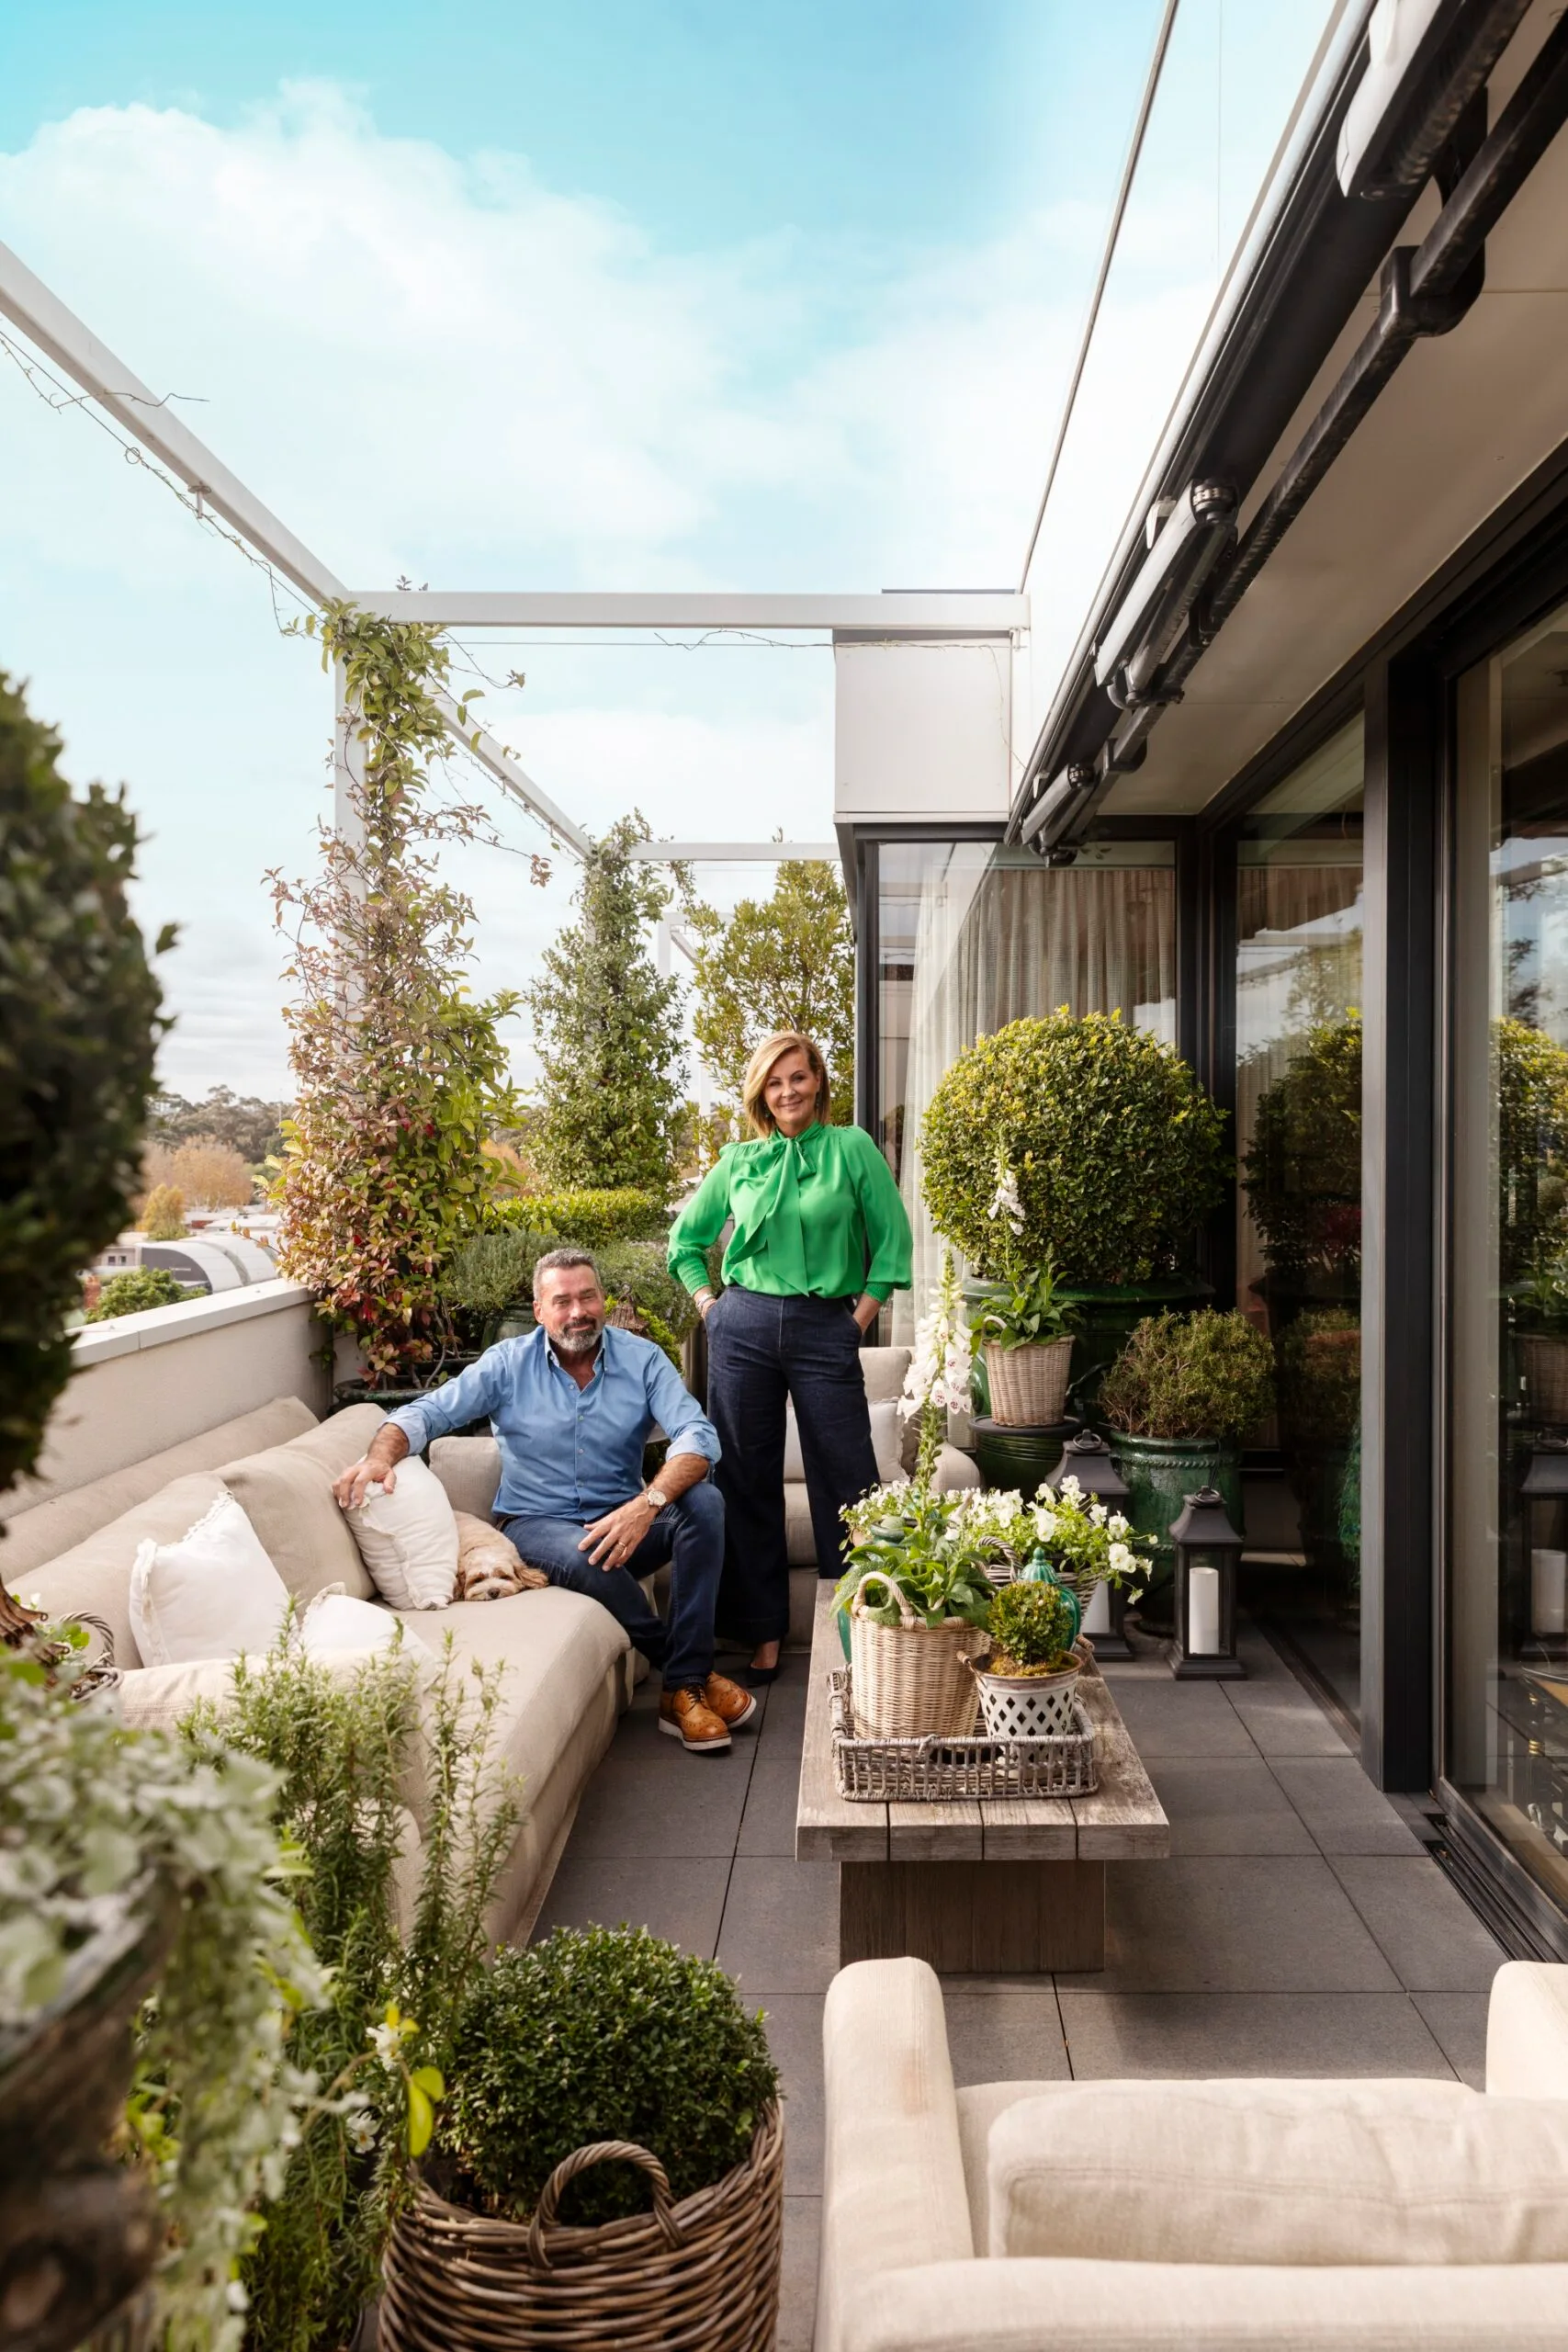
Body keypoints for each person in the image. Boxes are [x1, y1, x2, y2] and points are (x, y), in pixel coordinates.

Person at [331, 1248, 755, 1755]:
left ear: (604, 1299)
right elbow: (424, 1414)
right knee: (583, 1552)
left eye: (588, 1296)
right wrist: (381, 1456)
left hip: (623, 1523)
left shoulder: (642, 1360)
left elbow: (698, 1436)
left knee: (704, 1503)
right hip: (536, 1525)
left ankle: (681, 1688)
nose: (578, 1311)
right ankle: (687, 1679)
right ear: (539, 1311)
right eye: (562, 1301)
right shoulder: (507, 1364)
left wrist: (646, 1505)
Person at [668, 1031, 913, 1685]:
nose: (786, 1092)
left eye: (797, 1079)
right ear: (760, 1094)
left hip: (823, 1325)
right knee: (745, 1480)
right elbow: (684, 1242)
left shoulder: (851, 1149)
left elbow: (891, 1242)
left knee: (849, 1477)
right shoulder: (738, 1161)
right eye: (773, 1083)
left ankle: (861, 1627)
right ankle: (763, 1634)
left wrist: (855, 1321)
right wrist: (710, 1308)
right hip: (742, 1324)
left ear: (817, 1083)